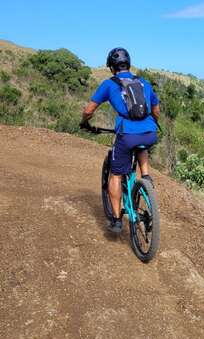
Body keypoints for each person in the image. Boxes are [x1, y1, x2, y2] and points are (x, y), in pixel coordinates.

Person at [80, 48, 160, 233]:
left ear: (111, 67)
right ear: (129, 64)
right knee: (142, 144)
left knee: (115, 174)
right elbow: (156, 109)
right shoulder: (143, 82)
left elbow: (89, 110)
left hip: (127, 134)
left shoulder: (109, 84)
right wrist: (152, 123)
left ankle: (116, 220)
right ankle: (146, 177)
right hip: (150, 131)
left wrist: (84, 122)